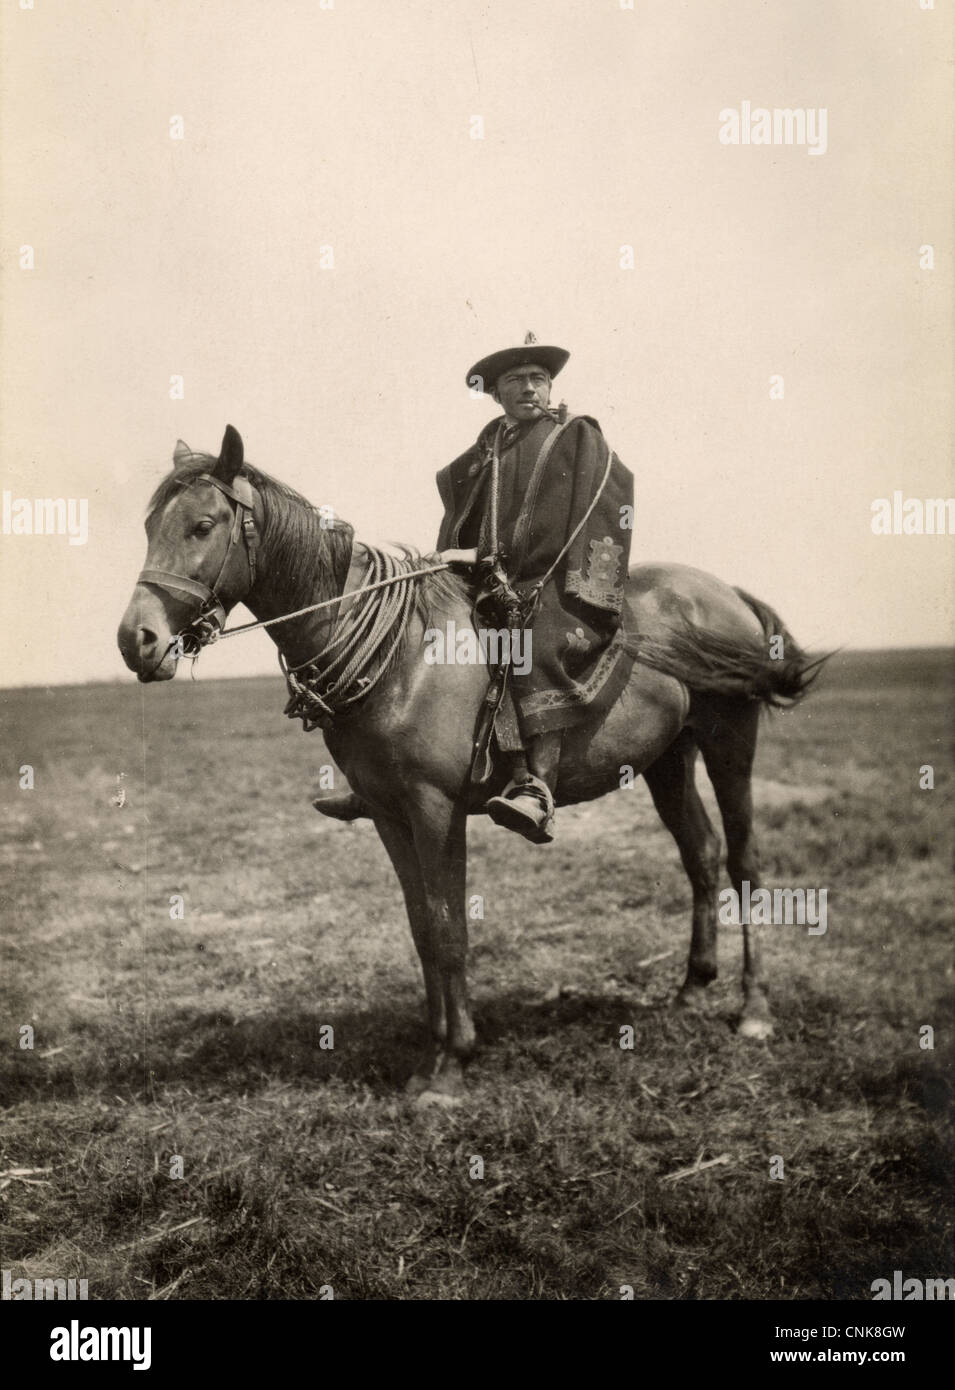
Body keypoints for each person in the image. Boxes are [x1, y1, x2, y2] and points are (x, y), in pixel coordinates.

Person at [313, 334, 635, 843]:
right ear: (496, 394)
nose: (530, 389)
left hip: (553, 579)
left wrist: (486, 558)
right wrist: (457, 561)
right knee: (414, 633)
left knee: (527, 645)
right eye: (516, 381)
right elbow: (468, 517)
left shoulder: (574, 437)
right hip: (491, 578)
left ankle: (535, 787)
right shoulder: (489, 448)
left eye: (538, 380)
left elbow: (578, 518)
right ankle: (380, 780)